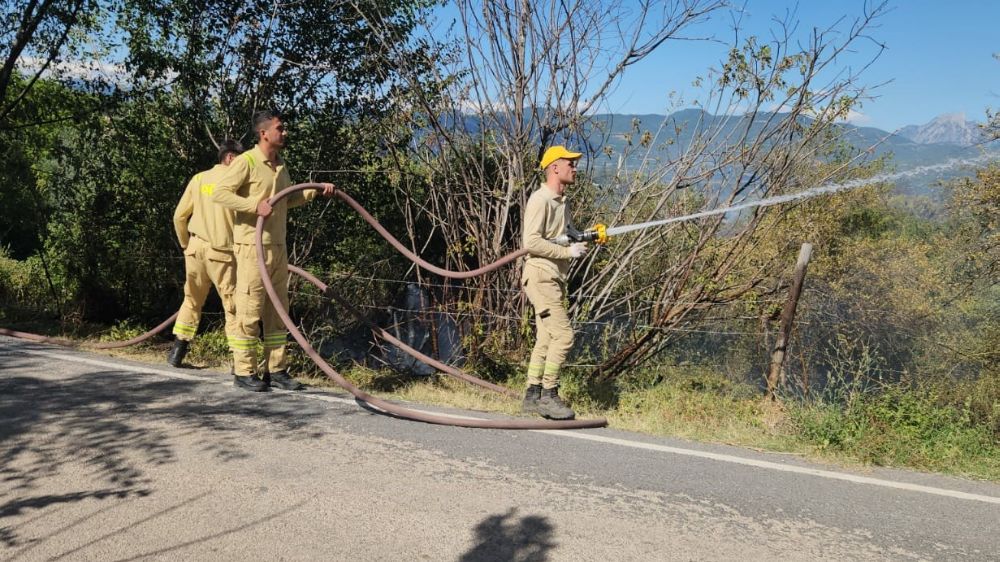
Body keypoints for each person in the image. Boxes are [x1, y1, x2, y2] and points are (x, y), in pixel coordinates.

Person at [212, 110, 334, 391]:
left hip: (278, 248)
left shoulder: (280, 165)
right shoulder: (247, 162)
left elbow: (286, 200)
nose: (284, 132)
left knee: (278, 311)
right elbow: (220, 193)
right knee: (249, 310)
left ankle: (276, 370)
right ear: (264, 133)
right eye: (280, 128)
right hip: (251, 249)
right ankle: (244, 371)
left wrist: (316, 190)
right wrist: (254, 206)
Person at [520, 145, 589, 419]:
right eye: (569, 163)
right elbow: (531, 242)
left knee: (547, 337)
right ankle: (549, 395)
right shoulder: (541, 200)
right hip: (541, 276)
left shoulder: (563, 202)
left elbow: (565, 234)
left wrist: (586, 236)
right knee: (563, 336)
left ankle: (532, 395)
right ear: (554, 167)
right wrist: (567, 253)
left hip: (554, 277)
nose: (574, 167)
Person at [167, 139, 244, 368]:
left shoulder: (199, 179)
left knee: (191, 300)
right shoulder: (235, 182)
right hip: (222, 252)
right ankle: (239, 362)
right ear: (230, 157)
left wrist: (186, 245)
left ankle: (177, 351)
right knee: (232, 306)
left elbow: (179, 217)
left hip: (195, 249)